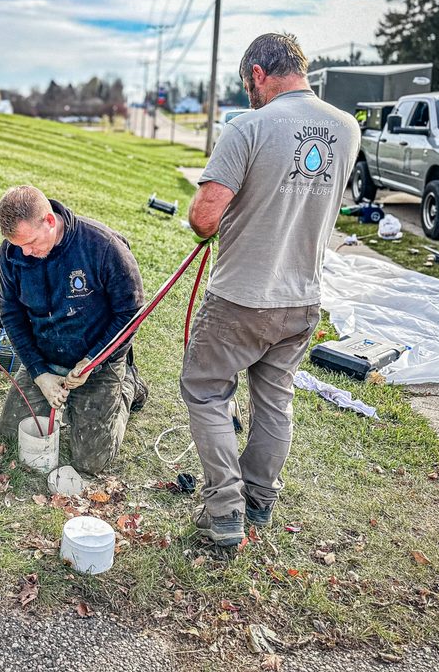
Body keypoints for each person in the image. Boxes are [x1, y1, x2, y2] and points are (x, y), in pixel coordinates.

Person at [181, 33, 361, 546]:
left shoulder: (248, 127)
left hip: (241, 296)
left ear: (258, 73)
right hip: (302, 298)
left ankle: (225, 511)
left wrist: (220, 217)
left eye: (247, 85)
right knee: (274, 401)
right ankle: (259, 499)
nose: (248, 95)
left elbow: (203, 218)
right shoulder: (345, 129)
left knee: (206, 390)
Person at [0, 185, 147, 475]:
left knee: (91, 462)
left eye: (31, 242)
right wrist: (39, 373)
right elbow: (11, 314)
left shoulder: (102, 246)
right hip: (46, 354)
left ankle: (128, 385)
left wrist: (95, 360)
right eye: (18, 246)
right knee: (12, 432)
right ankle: (54, 384)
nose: (25, 252)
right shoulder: (12, 253)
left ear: (50, 221)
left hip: (98, 358)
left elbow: (131, 312)